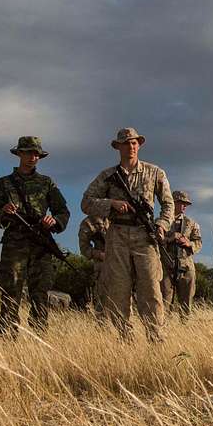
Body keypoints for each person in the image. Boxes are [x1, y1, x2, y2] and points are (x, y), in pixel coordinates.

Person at [80, 127, 172, 342]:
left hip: (145, 236)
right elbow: (86, 202)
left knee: (150, 289)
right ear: (118, 147)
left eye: (134, 143)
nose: (130, 147)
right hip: (117, 235)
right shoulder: (107, 176)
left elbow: (168, 204)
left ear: (139, 145)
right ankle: (125, 339)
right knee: (118, 290)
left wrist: (161, 224)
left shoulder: (155, 172)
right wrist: (111, 203)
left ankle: (156, 338)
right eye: (126, 143)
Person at [0, 136, 70, 338]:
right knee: (11, 291)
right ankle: (7, 337)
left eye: (36, 154)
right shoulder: (4, 184)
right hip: (14, 244)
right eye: (28, 153)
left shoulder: (46, 183)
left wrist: (54, 222)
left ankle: (40, 339)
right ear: (19, 154)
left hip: (41, 245)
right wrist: (4, 212)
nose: (33, 157)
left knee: (40, 293)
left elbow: (63, 212)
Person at [163, 190, 203, 319]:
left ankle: (185, 329)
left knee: (187, 303)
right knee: (165, 301)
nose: (184, 206)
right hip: (165, 266)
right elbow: (152, 241)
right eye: (182, 203)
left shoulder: (191, 223)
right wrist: (169, 238)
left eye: (186, 204)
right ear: (173, 203)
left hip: (186, 266)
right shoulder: (161, 221)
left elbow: (198, 242)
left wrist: (189, 243)